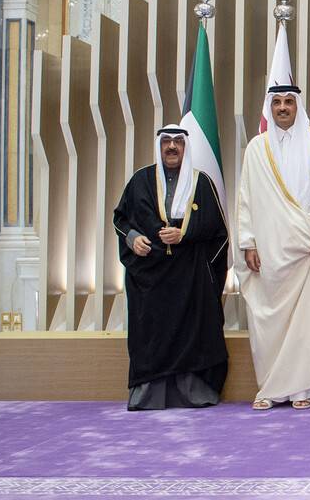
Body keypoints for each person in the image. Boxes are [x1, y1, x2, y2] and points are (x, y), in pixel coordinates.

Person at [236, 85, 310, 410]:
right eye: (277, 102)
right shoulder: (256, 147)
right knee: (269, 319)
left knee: (308, 319)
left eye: (289, 102)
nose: (283, 108)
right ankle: (270, 387)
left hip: (309, 245)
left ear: (299, 106)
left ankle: (303, 389)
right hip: (269, 247)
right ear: (270, 107)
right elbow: (246, 198)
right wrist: (247, 242)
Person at [113, 125, 229, 411]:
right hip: (149, 276)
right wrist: (133, 238)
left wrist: (184, 235)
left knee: (192, 332)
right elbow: (120, 219)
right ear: (159, 146)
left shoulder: (201, 182)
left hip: (189, 274)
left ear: (186, 146)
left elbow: (218, 230)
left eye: (178, 141)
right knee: (151, 333)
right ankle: (149, 395)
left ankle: (193, 393)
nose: (172, 147)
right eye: (167, 142)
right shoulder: (140, 180)